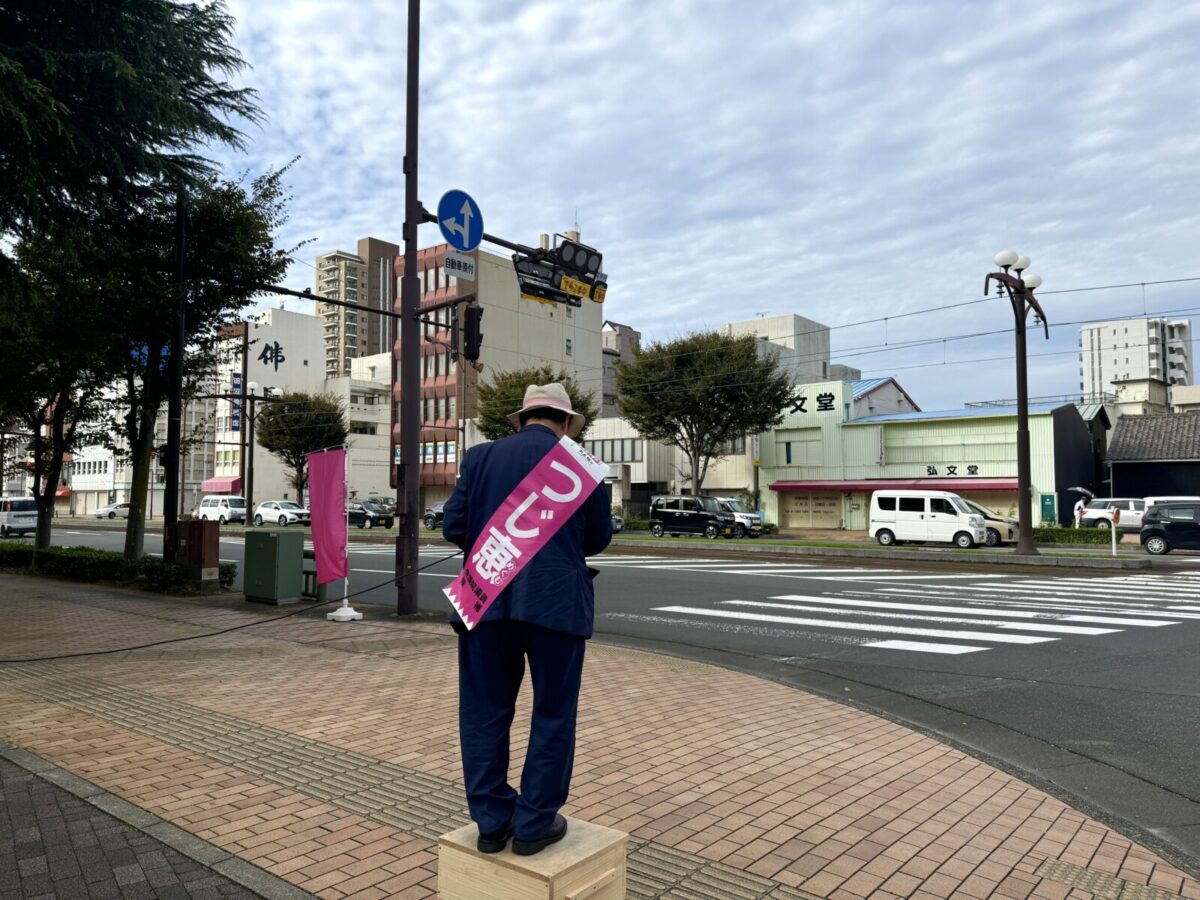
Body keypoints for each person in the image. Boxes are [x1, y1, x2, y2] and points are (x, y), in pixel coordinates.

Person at [442, 383, 612, 856]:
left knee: (483, 712)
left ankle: (492, 822)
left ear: (522, 419)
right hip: (557, 604)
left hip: (485, 598)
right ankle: (536, 822)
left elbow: (454, 526)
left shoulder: (479, 458)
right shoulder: (581, 466)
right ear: (565, 422)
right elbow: (598, 537)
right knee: (554, 714)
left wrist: (498, 545)